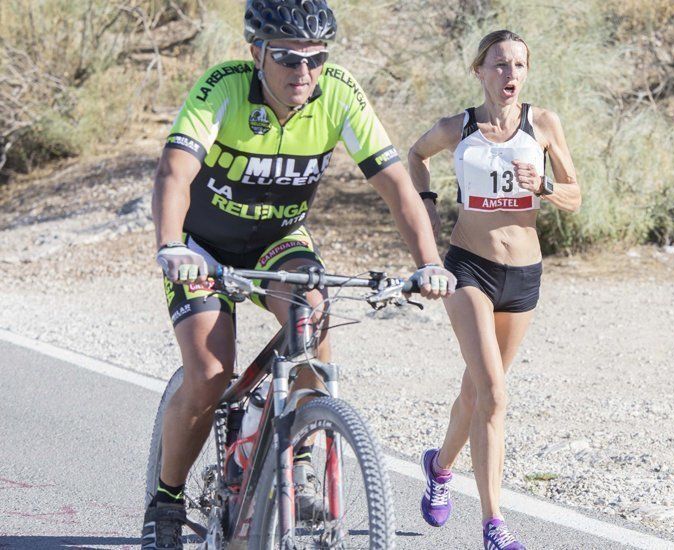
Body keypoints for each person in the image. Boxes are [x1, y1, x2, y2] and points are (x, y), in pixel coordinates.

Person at [143, 1, 455, 548]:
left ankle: (304, 450)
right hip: (205, 249)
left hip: (278, 243)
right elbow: (175, 170)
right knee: (212, 376)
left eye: (315, 59)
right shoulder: (223, 87)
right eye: (288, 59)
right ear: (257, 53)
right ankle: (166, 501)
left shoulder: (337, 92)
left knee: (312, 321)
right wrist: (171, 245)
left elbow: (398, 187)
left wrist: (428, 263)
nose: (303, 73)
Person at [407, 29, 581, 549]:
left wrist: (544, 186)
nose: (510, 75)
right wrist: (428, 207)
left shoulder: (543, 124)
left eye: (518, 66)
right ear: (479, 71)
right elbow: (415, 155)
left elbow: (575, 196)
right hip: (469, 269)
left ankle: (439, 468)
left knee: (476, 391)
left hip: (524, 277)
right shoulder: (458, 127)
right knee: (496, 395)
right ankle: (493, 524)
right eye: (499, 65)